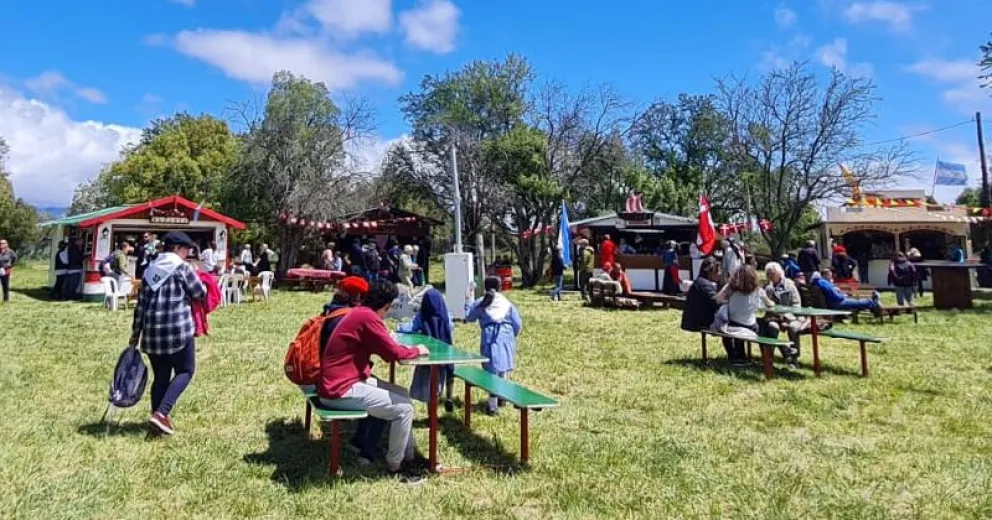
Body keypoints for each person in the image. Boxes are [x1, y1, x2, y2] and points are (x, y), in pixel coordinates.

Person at [319, 280, 429, 483]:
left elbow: (384, 348)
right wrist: (418, 350)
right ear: (386, 305)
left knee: (402, 394)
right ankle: (397, 467)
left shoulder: (361, 313)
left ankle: (409, 455)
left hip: (338, 382)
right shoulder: (368, 318)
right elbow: (393, 353)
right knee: (404, 409)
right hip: (339, 390)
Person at [129, 232, 206, 435]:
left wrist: (135, 333)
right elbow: (200, 292)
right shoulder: (183, 268)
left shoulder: (149, 270)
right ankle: (161, 414)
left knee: (161, 376)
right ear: (178, 248)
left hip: (152, 333)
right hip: (178, 330)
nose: (188, 253)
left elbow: (141, 306)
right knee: (185, 371)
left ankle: (157, 422)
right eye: (187, 250)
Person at [318, 276, 386, 465]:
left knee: (372, 385)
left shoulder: (330, 311)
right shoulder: (347, 317)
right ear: (356, 297)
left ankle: (358, 440)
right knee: (387, 402)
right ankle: (368, 452)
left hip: (324, 375)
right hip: (337, 382)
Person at [466, 276, 523, 416]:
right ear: (500, 287)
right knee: (503, 369)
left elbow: (469, 316)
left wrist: (467, 300)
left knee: (491, 372)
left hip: (489, 339)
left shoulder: (482, 302)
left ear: (485, 288)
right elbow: (517, 324)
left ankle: (492, 406)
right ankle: (503, 397)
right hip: (506, 337)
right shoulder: (507, 304)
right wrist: (512, 335)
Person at [401, 289, 456, 412]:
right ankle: (449, 397)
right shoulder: (446, 314)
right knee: (450, 373)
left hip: (427, 356)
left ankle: (432, 415)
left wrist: (398, 328)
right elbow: (452, 327)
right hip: (447, 355)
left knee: (430, 386)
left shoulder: (422, 316)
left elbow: (409, 327)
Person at [716, 265, 776, 366]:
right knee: (761, 324)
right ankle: (764, 356)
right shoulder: (758, 290)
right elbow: (770, 304)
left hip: (733, 324)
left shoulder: (730, 288)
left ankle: (733, 356)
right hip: (751, 326)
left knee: (726, 331)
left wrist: (729, 301)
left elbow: (718, 299)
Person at [763, 262, 806, 367]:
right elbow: (767, 307)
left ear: (779, 273)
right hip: (775, 317)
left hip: (793, 317)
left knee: (793, 328)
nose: (770, 276)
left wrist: (787, 318)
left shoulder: (789, 285)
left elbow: (796, 305)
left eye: (772, 273)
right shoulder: (768, 288)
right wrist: (778, 317)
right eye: (768, 274)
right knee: (772, 327)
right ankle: (770, 357)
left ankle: (794, 357)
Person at [681, 258, 722, 334]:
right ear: (709, 271)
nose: (720, 273)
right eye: (718, 270)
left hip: (697, 321)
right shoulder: (704, 284)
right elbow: (716, 302)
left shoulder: (701, 282)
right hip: (699, 323)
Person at [813, 268, 881, 313]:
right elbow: (836, 296)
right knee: (859, 302)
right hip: (836, 303)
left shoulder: (819, 282)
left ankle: (874, 307)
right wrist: (844, 296)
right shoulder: (824, 283)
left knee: (857, 301)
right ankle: (874, 302)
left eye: (831, 275)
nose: (831, 277)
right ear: (823, 275)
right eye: (829, 275)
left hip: (831, 302)